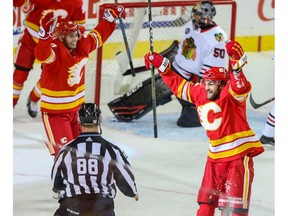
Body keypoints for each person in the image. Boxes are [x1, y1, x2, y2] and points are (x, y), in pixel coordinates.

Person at [144, 40, 264, 215]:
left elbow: (240, 87)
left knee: (234, 210)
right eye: (205, 82)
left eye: (212, 83)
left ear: (223, 84)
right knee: (205, 206)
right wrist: (163, 67)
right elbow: (178, 85)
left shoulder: (230, 94)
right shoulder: (201, 92)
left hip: (236, 158)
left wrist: (237, 68)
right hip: (214, 159)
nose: (207, 86)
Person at [108, 1, 228, 127]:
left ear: (207, 16)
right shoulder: (192, 25)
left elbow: (213, 72)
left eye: (198, 15)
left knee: (188, 122)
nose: (194, 17)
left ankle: (199, 109)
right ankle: (123, 111)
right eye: (194, 14)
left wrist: (197, 90)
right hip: (175, 72)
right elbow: (184, 49)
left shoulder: (217, 38)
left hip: (191, 82)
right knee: (148, 90)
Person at [34, 5, 126, 158]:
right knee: (65, 156)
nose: (75, 39)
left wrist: (110, 19)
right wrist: (44, 36)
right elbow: (42, 55)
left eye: (76, 35)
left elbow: (98, 35)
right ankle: (61, 182)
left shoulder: (81, 46)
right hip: (55, 114)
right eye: (71, 36)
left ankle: (80, 181)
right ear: (62, 37)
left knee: (82, 153)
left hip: (76, 112)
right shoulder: (55, 49)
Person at [51, 103, 139, 216]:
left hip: (73, 207)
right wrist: (132, 193)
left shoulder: (66, 150)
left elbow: (56, 180)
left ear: (79, 122)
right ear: (99, 121)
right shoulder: (112, 149)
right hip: (102, 208)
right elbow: (124, 175)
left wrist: (59, 190)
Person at [13, 0, 86, 118]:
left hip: (53, 46)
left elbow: (80, 28)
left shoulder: (76, 3)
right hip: (30, 38)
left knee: (47, 78)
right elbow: (17, 3)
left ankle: (33, 98)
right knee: (19, 75)